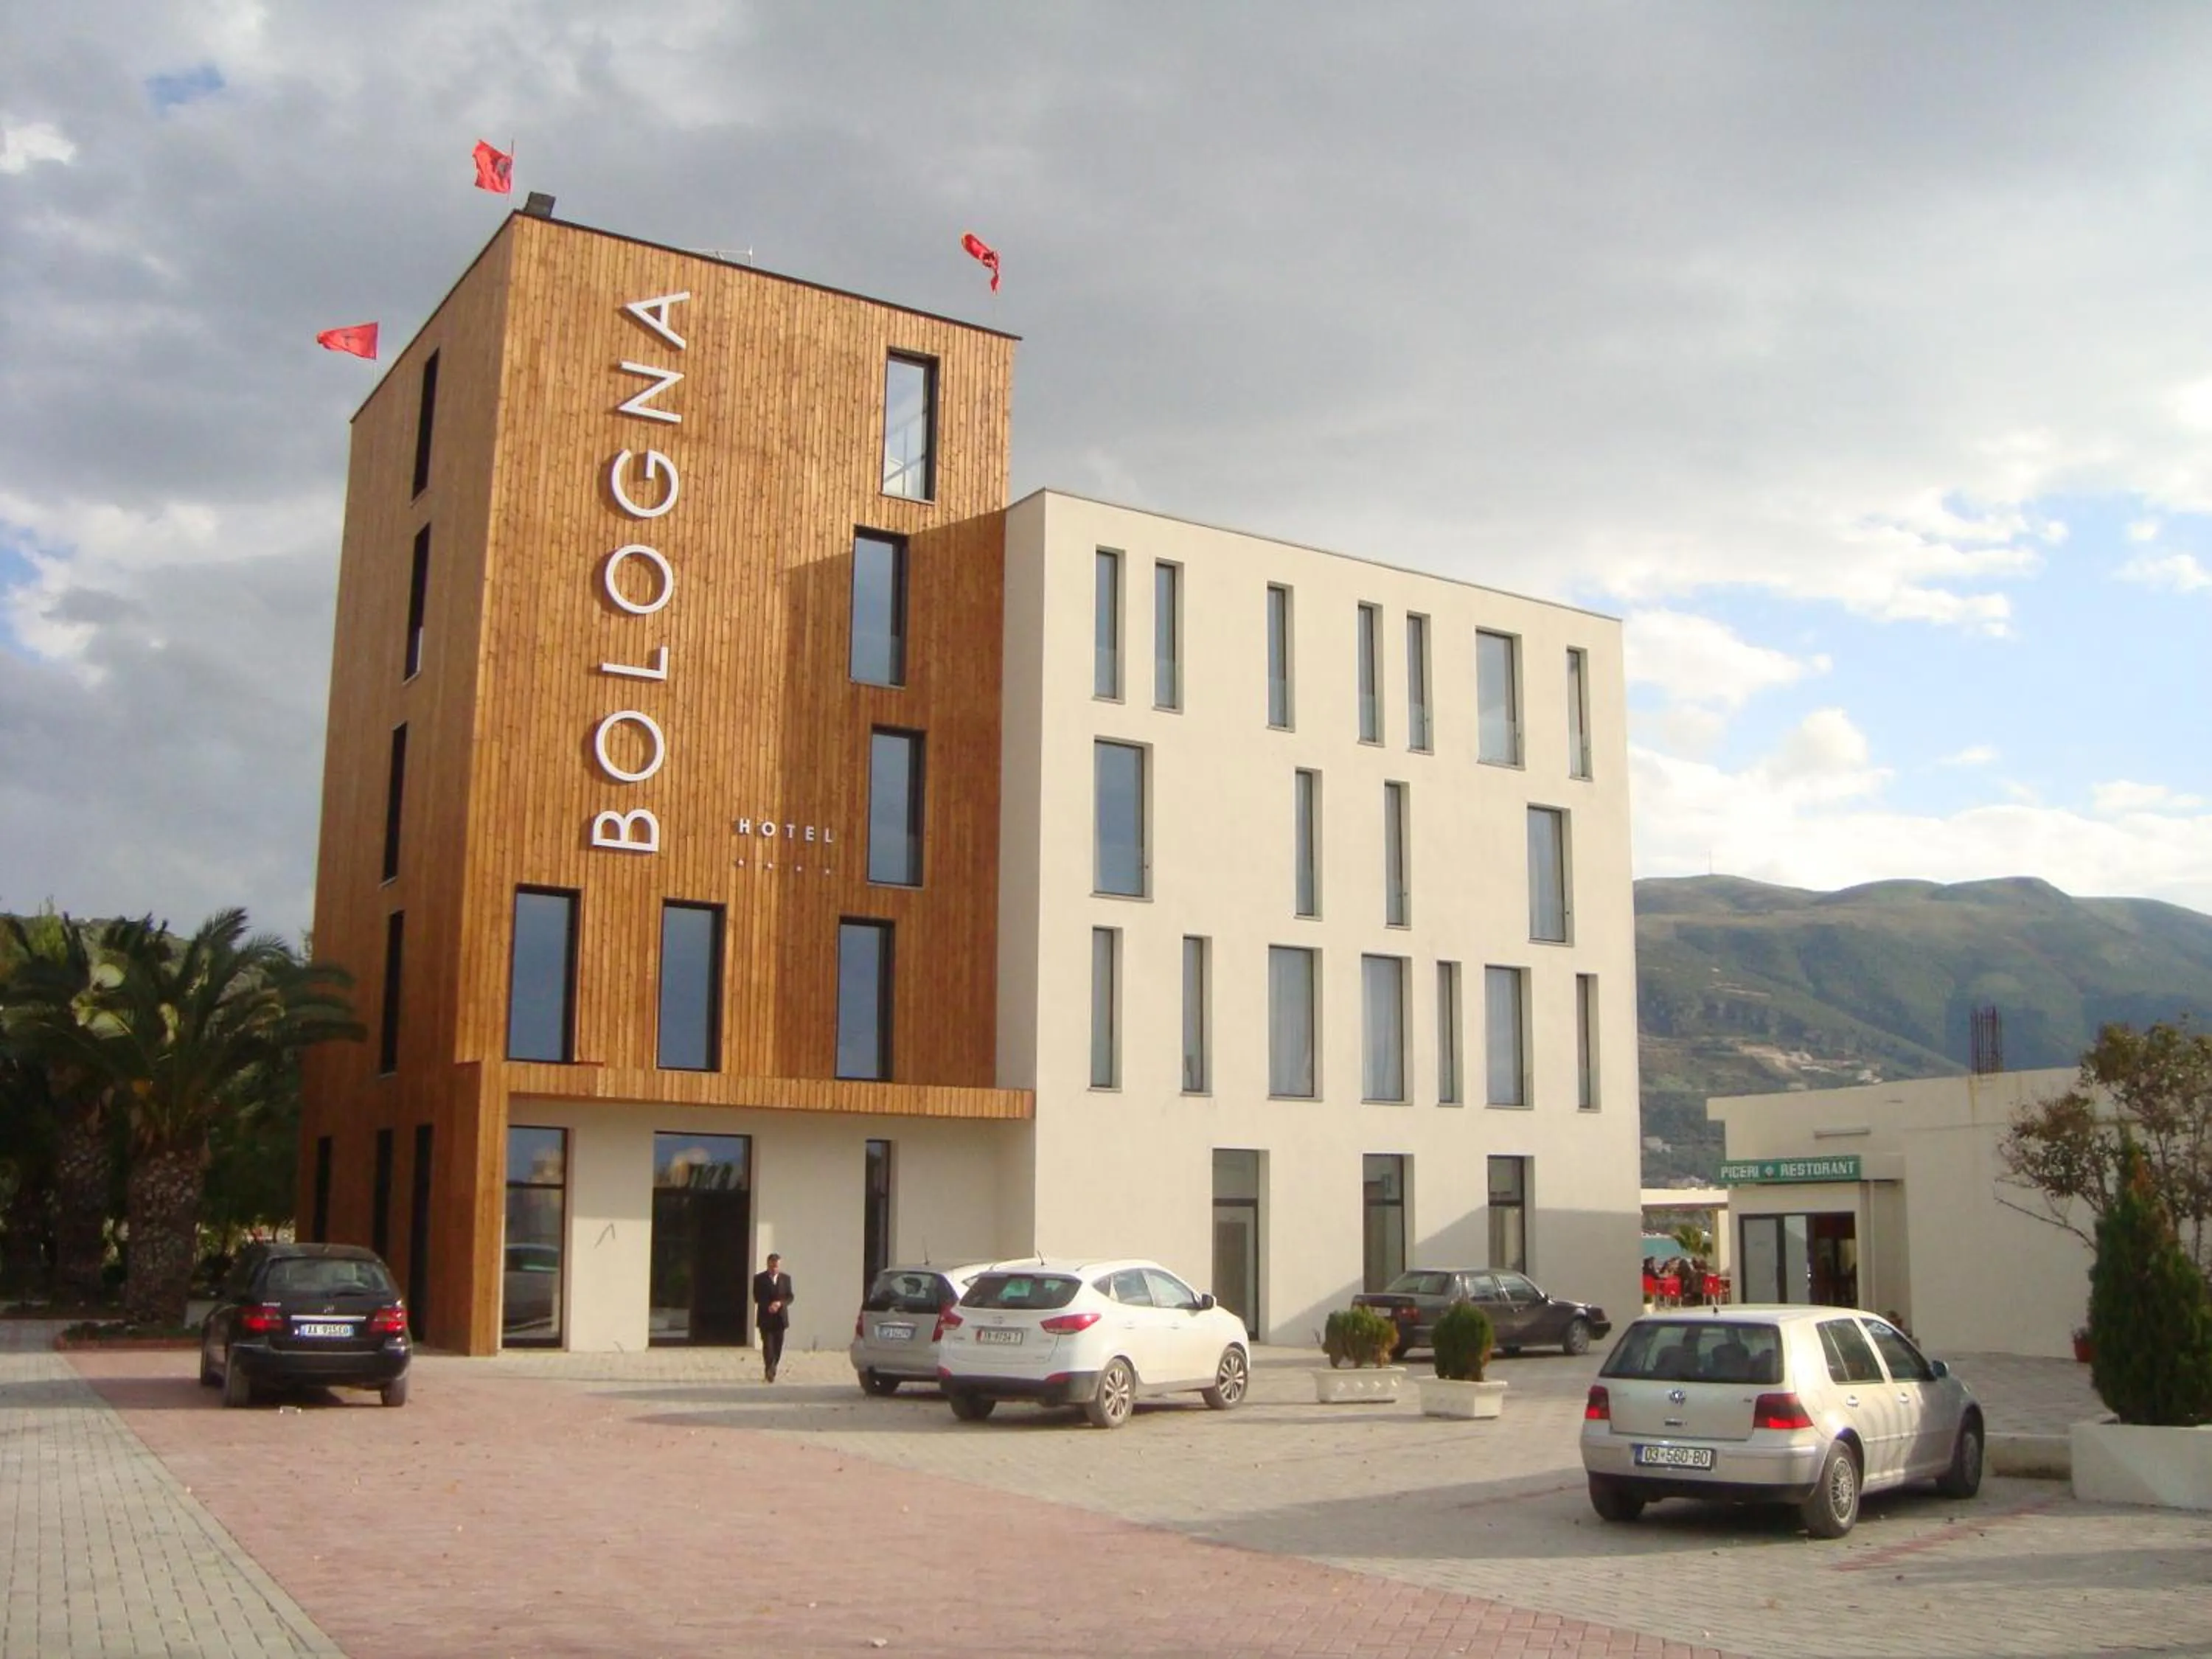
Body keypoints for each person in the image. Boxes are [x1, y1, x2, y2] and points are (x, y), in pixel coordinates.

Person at [753, 1253, 794, 1382]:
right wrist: (768, 1306)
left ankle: (773, 1366)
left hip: (780, 1319)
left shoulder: (786, 1279)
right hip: (766, 1318)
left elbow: (790, 1296)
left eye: (776, 1266)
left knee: (778, 1346)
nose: (774, 1269)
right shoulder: (759, 1279)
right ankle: (769, 1370)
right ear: (768, 1265)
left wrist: (780, 1303)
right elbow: (757, 1296)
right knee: (768, 1346)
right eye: (772, 1266)